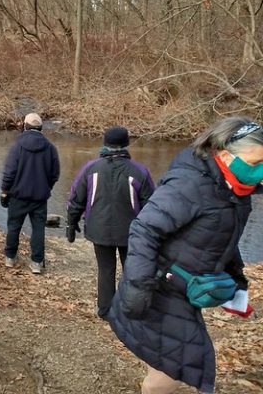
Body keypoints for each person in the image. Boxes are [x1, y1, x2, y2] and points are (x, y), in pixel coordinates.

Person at [108, 117, 259, 394]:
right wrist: (137, 288)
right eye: (254, 164)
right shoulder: (190, 184)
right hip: (161, 288)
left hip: (183, 289)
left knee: (168, 356)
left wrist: (236, 280)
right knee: (183, 364)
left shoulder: (235, 190)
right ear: (225, 155)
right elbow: (144, 229)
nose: (259, 172)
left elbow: (225, 235)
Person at [66, 126, 155, 318]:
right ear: (126, 144)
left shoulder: (91, 168)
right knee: (131, 270)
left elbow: (76, 199)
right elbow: (152, 206)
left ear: (105, 143)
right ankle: (129, 309)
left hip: (100, 230)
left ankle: (105, 310)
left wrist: (71, 224)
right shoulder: (140, 171)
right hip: (131, 232)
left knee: (105, 269)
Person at [0, 113, 60, 274]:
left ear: (24, 126)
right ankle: (36, 263)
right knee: (38, 229)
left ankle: (10, 258)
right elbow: (55, 174)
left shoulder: (17, 146)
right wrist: (47, 187)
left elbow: (9, 173)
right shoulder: (50, 148)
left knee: (14, 227)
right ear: (41, 128)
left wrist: (5, 191)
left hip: (18, 195)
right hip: (40, 197)